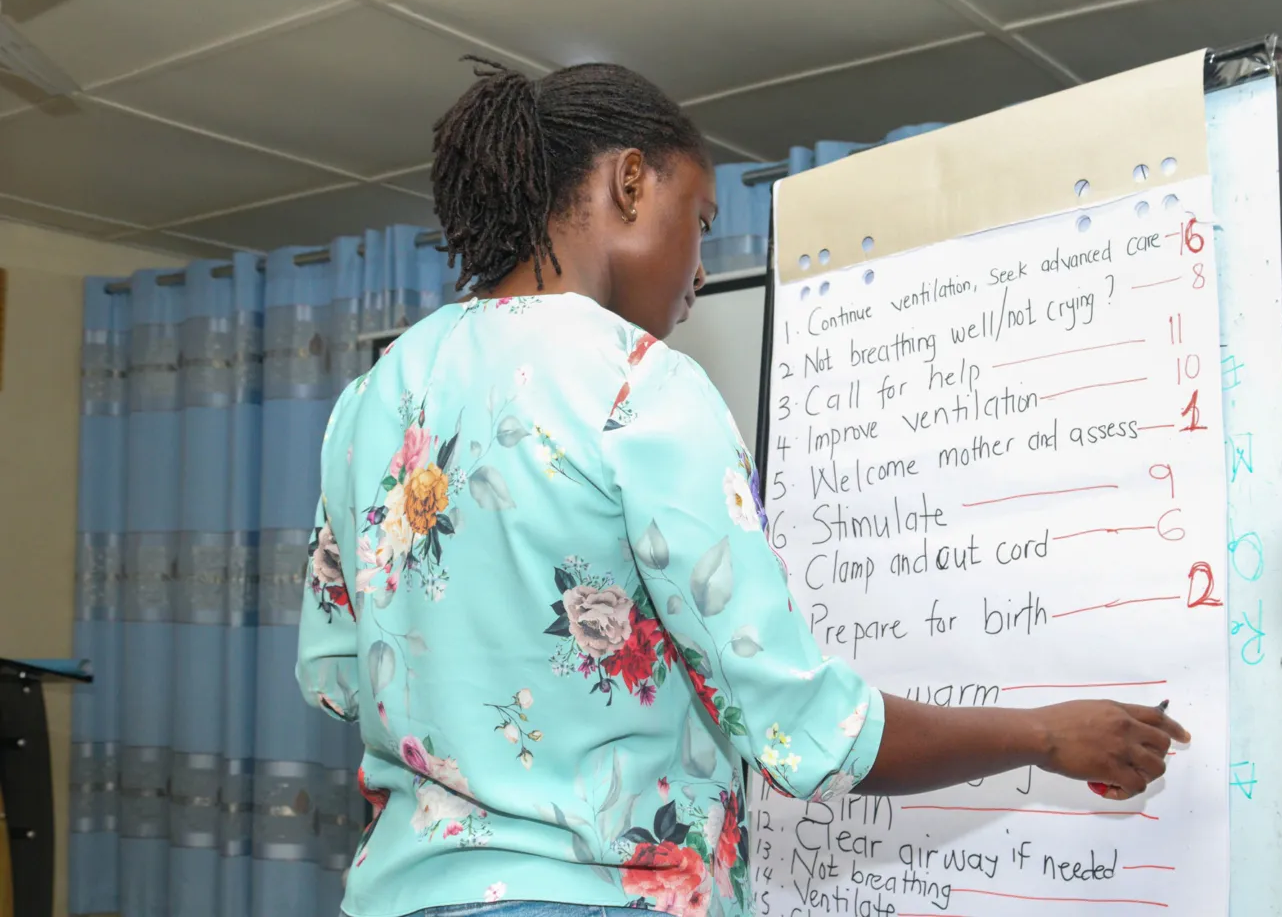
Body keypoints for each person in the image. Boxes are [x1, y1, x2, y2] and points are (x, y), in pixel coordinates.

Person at [296, 57, 1190, 917]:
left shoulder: (368, 401)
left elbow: (339, 676)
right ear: (632, 183)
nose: (696, 275)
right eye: (701, 219)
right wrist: (1045, 735)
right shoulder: (637, 383)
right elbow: (801, 726)